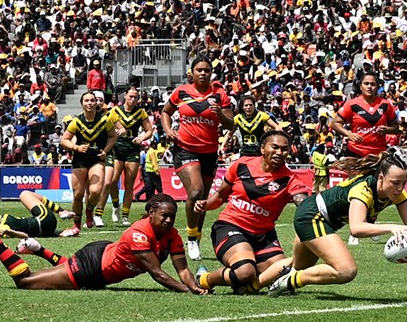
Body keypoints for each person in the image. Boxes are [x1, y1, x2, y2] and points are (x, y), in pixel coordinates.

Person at [0, 194, 205, 293]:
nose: (170, 220)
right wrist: (186, 291)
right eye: (165, 216)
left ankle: (39, 249)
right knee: (26, 282)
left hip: (100, 264)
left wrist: (194, 285)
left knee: (61, 271)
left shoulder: (171, 235)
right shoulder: (138, 233)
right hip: (92, 266)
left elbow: (182, 269)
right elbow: (158, 273)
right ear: (151, 213)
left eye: (173, 216)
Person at [268, 149, 407, 296]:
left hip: (319, 217)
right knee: (346, 270)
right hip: (312, 215)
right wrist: (392, 227)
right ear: (380, 178)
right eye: (396, 182)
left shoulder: (397, 193)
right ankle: (290, 280)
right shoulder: (363, 189)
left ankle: (251, 285)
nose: (400, 188)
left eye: (404, 183)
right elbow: (356, 228)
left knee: (296, 264)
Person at [193, 130, 310, 294]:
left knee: (284, 274)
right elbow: (220, 195)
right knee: (244, 272)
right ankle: (204, 278)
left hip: (264, 237)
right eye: (274, 147)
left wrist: (312, 206)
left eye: (284, 149)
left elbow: (302, 201)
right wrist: (206, 205)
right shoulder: (241, 165)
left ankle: (243, 284)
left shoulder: (290, 180)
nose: (279, 152)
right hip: (230, 227)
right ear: (263, 148)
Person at [161, 57, 234, 261]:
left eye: (207, 70)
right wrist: (168, 130)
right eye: (199, 69)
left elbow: (231, 126)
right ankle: (191, 238)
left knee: (201, 201)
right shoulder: (181, 92)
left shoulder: (219, 95)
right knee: (195, 191)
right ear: (191, 72)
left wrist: (220, 114)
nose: (203, 73)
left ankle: (196, 238)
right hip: (185, 149)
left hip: (209, 153)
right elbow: (165, 112)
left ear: (211, 73)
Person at [331, 72, 400, 244]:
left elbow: (396, 127)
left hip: (378, 154)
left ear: (378, 86)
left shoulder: (386, 105)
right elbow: (334, 123)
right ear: (360, 86)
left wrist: (387, 130)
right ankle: (354, 231)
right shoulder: (352, 104)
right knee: (356, 189)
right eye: (366, 83)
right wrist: (349, 134)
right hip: (356, 153)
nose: (369, 86)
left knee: (378, 191)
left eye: (373, 84)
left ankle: (371, 225)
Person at [60, 91, 118, 236]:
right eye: (87, 101)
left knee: (95, 190)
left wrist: (105, 151)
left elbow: (113, 136)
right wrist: (76, 147)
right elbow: (64, 140)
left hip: (96, 159)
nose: (90, 103)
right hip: (80, 159)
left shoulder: (105, 120)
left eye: (92, 100)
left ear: (97, 103)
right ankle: (77, 224)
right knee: (78, 195)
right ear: (82, 103)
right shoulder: (77, 121)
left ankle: (90, 211)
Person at [97, 87, 153, 226]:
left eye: (135, 97)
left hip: (132, 149)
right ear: (125, 96)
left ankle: (125, 216)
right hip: (117, 147)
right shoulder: (115, 111)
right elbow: (106, 126)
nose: (133, 99)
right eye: (130, 96)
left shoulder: (141, 112)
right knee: (111, 182)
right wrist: (114, 132)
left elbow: (149, 131)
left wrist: (141, 137)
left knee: (129, 184)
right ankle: (115, 205)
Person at [0, 190, 74, 238]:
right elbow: (25, 236)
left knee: (30, 224)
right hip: (44, 219)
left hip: (45, 231)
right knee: (25, 194)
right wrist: (10, 232)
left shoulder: (0, 226)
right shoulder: (2, 225)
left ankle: (62, 232)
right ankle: (61, 211)